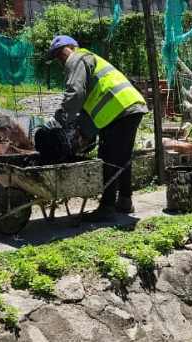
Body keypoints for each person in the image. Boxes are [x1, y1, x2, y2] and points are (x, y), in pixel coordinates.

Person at [48, 35, 148, 222]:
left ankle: (107, 207)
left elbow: (75, 94)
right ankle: (125, 201)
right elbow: (89, 101)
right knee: (122, 157)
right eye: (57, 57)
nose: (61, 59)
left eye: (61, 53)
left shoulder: (77, 59)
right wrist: (84, 130)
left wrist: (59, 120)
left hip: (119, 110)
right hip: (130, 106)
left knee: (107, 158)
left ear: (72, 47)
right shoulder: (90, 58)